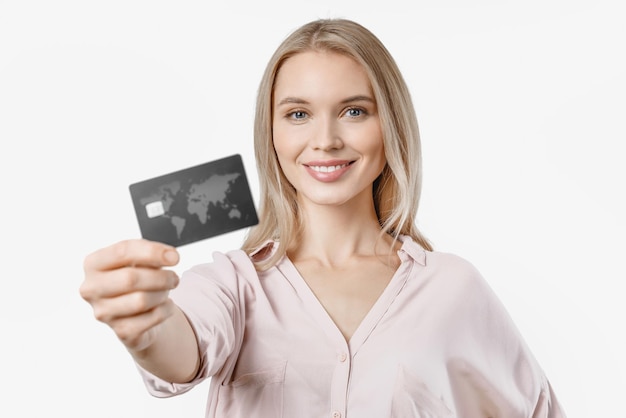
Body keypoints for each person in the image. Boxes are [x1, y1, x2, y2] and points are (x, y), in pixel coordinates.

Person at [80, 18, 566, 417]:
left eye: (354, 112)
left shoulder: (452, 288)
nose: (326, 139)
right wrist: (146, 324)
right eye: (298, 114)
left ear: (390, 126)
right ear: (270, 133)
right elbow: (179, 350)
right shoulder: (233, 285)